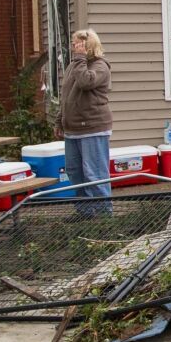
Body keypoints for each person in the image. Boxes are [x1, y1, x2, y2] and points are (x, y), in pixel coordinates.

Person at [58, 29, 113, 216]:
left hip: (92, 127)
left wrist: (80, 58)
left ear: (87, 45)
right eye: (74, 44)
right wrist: (60, 120)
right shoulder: (74, 65)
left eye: (77, 44)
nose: (74, 47)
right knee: (75, 173)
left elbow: (85, 82)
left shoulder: (100, 66)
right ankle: (85, 213)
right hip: (72, 129)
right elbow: (66, 95)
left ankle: (105, 216)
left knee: (95, 174)